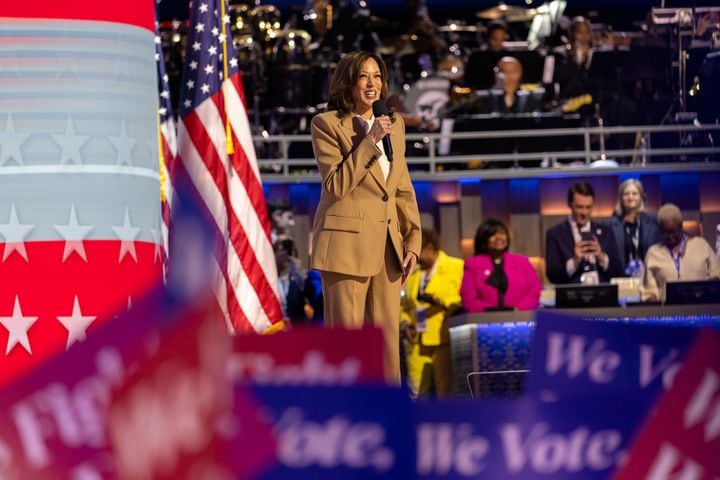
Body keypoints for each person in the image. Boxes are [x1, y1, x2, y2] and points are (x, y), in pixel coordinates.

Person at [309, 50, 422, 384]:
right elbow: (336, 184)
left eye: (377, 76)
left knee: (387, 347)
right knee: (348, 346)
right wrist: (370, 141)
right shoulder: (327, 124)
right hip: (346, 249)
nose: (373, 84)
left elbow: (401, 188)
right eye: (364, 76)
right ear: (348, 81)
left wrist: (413, 240)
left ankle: (388, 419)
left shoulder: (395, 124)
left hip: (388, 249)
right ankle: (347, 418)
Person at [400, 228, 463, 398]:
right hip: (416, 341)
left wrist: (441, 302)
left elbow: (462, 299)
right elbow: (404, 306)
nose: (411, 255)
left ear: (428, 247)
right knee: (415, 393)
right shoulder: (413, 273)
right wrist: (406, 324)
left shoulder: (456, 266)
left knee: (445, 392)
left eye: (415, 249)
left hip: (443, 340)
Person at [545, 181, 623, 284]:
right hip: (571, 295)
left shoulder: (606, 232)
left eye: (588, 207)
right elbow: (552, 275)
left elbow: (618, 271)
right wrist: (574, 261)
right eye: (579, 207)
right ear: (569, 204)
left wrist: (601, 257)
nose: (584, 213)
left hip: (602, 293)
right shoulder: (555, 234)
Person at [641, 203, 720, 302]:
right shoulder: (653, 253)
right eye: (665, 232)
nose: (669, 236)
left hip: (701, 309)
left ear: (681, 226)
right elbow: (649, 291)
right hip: (667, 313)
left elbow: (716, 275)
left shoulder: (701, 245)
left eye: (673, 231)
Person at [461, 219, 541, 312]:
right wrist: (492, 312)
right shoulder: (472, 265)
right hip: (484, 321)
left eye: (502, 233)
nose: (499, 237)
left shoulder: (522, 262)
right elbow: (469, 301)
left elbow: (534, 292)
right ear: (483, 240)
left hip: (520, 318)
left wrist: (518, 310)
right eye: (493, 235)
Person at [607, 179, 660, 277]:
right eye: (626, 194)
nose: (630, 197)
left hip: (648, 278)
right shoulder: (610, 225)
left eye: (634, 193)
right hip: (621, 278)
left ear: (641, 197)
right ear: (621, 198)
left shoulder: (653, 222)